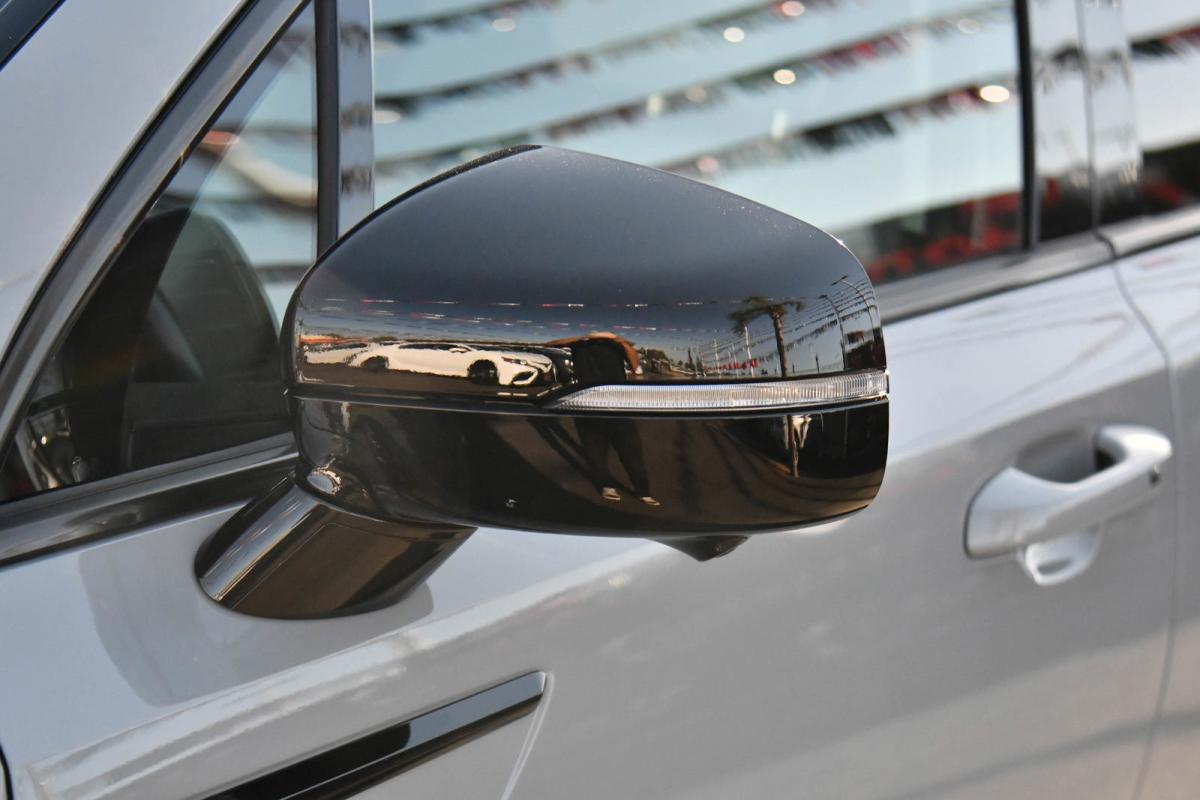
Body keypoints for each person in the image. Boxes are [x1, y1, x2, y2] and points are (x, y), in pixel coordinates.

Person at [547, 332, 660, 506]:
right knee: (595, 452)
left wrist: (618, 340)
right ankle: (606, 485)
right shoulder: (580, 343)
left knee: (631, 450)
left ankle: (643, 491)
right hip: (587, 402)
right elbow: (551, 343)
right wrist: (582, 338)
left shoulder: (615, 343)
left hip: (618, 403)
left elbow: (635, 366)